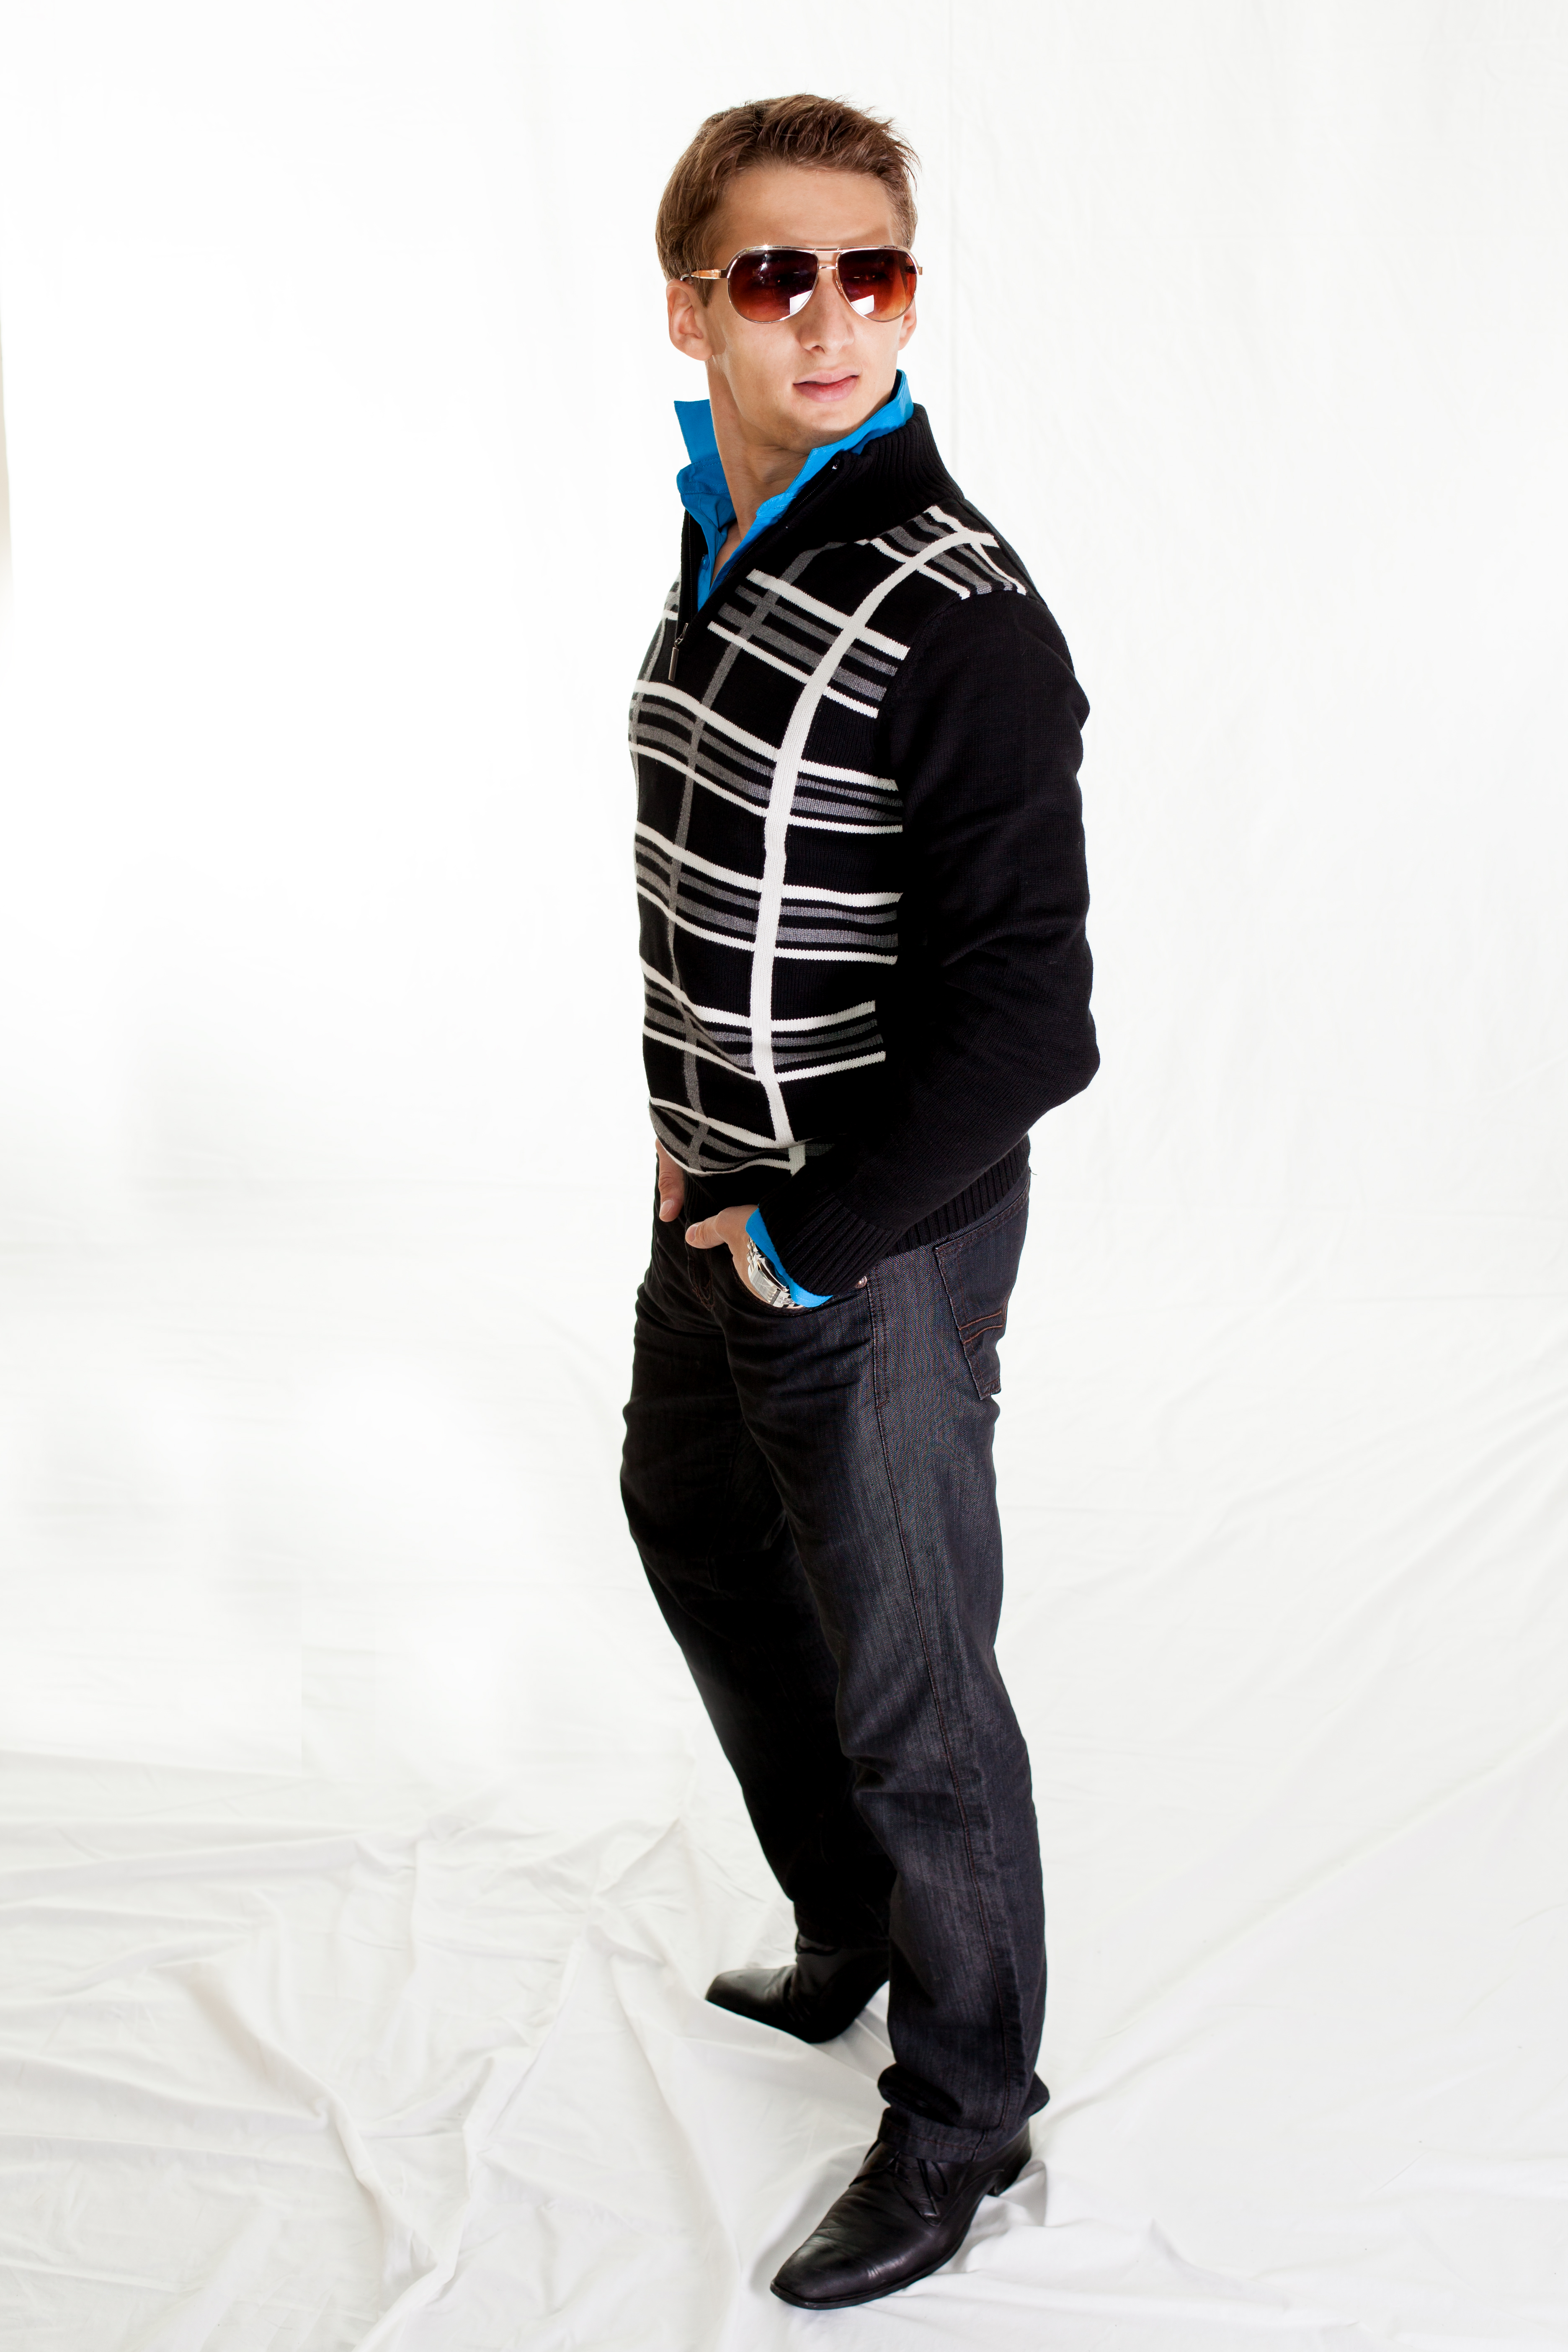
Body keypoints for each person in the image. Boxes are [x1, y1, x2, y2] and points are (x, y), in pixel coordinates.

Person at [619, 93, 1098, 2310]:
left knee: (912, 1677)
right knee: (701, 1537)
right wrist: (683, 1135)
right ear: (693, 308)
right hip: (713, 1196)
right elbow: (729, 868)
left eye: (870, 272)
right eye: (777, 274)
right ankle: (853, 1926)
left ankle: (968, 2116)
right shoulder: (738, 532)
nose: (829, 316)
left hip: (873, 1242)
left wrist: (812, 1238)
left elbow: (1032, 1024)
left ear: (907, 298)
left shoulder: (961, 613)